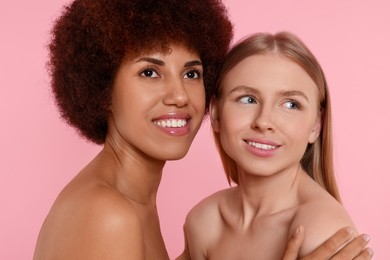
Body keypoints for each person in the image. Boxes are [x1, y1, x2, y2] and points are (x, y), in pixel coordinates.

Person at [33, 0, 371, 258]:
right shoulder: (108, 215)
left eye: (192, 73)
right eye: (150, 72)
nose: (180, 95)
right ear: (102, 86)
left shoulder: (137, 203)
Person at [180, 32, 374, 259]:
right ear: (215, 113)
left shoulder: (322, 231)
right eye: (248, 99)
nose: (264, 122)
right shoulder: (205, 221)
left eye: (291, 104)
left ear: (315, 126)